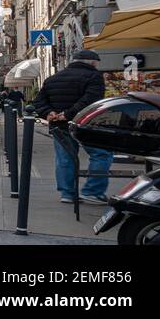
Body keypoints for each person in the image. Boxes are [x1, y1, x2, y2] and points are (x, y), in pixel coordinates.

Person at [32, 49, 112, 204]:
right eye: (96, 63)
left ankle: (67, 194)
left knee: (65, 158)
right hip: (85, 125)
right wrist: (68, 114)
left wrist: (48, 113)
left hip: (59, 126)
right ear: (92, 63)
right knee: (101, 154)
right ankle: (93, 191)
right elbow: (90, 100)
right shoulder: (94, 76)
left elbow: (39, 102)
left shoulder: (53, 78)